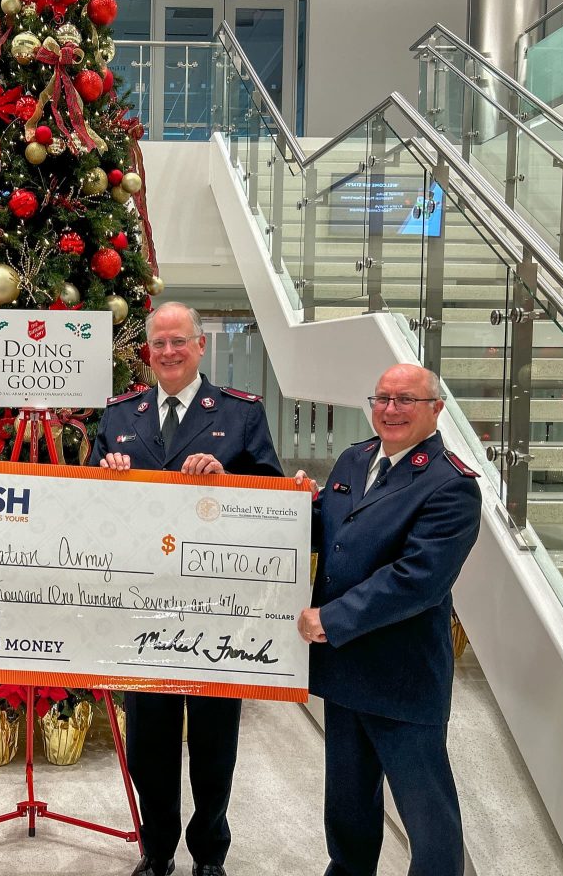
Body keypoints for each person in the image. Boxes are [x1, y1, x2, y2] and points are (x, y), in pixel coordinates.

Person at [91, 301, 304, 876]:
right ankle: (156, 851)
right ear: (147, 352)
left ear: (200, 345)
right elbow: (84, 504)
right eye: (158, 343)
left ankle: (210, 853)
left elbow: (273, 494)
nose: (168, 352)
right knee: (149, 744)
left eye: (178, 341)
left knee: (214, 744)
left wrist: (228, 479)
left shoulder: (239, 414)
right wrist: (105, 475)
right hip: (141, 608)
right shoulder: (119, 415)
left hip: (217, 609)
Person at [297, 363, 482, 876]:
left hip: (402, 679)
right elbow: (325, 531)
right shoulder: (355, 460)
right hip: (344, 670)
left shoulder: (451, 486)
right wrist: (282, 504)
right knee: (349, 806)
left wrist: (331, 618)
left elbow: (416, 580)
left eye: (406, 400)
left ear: (436, 410)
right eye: (382, 398)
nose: (391, 409)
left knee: (428, 818)